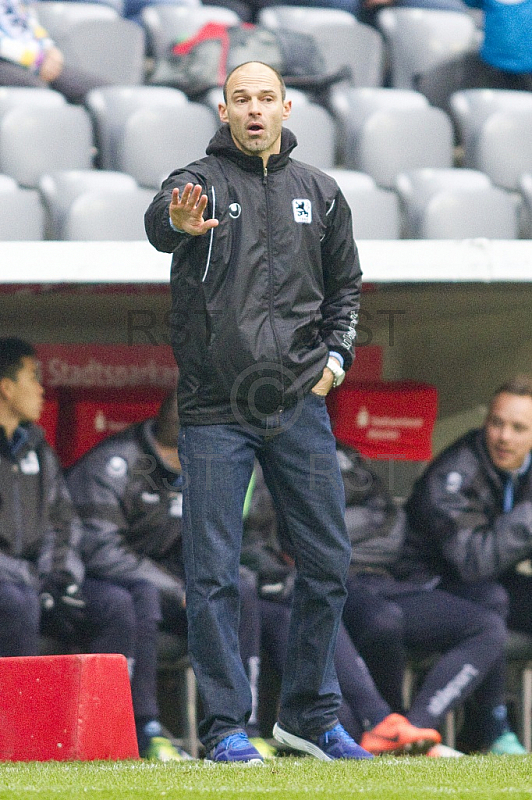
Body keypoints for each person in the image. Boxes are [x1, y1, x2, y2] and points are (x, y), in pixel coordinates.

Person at [144, 60, 370, 764]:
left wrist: (336, 361)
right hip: (215, 409)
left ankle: (308, 716)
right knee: (213, 572)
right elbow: (161, 223)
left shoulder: (322, 193)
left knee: (329, 562)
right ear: (222, 110)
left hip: (299, 402)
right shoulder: (198, 183)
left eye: (265, 98)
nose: (253, 110)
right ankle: (222, 731)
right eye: (240, 99)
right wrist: (176, 224)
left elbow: (348, 289)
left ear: (286, 107)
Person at [245, 443, 510, 755]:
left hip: (381, 578)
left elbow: (393, 531)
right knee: (377, 618)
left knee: (487, 625)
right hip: (319, 583)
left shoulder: (346, 456)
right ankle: (384, 722)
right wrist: (341, 540)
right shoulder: (264, 459)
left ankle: (413, 727)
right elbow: (274, 540)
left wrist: (334, 540)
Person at [0, 337, 183, 762]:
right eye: (32, 378)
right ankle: (22, 740)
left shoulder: (38, 449)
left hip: (41, 578)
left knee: (117, 602)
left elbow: (63, 524)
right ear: (6, 387)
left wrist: (60, 577)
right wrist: (34, 580)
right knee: (16, 601)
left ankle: (114, 735)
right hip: (13, 585)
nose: (42, 390)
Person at [65, 389, 274, 759]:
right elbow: (101, 550)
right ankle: (147, 732)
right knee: (139, 594)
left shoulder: (208, 464)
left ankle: (242, 727)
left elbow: (233, 539)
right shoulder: (114, 464)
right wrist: (178, 590)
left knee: (238, 588)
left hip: (176, 588)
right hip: (109, 585)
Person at [396, 375, 532, 754]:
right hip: (423, 583)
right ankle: (491, 727)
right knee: (491, 599)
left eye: (518, 428)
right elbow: (472, 563)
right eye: (496, 422)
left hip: (489, 580)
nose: (503, 436)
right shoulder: (455, 471)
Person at [0, 0, 109, 102]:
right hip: (8, 62)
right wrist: (37, 60)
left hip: (37, 60)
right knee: (42, 96)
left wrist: (49, 49)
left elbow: (30, 22)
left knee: (103, 93)